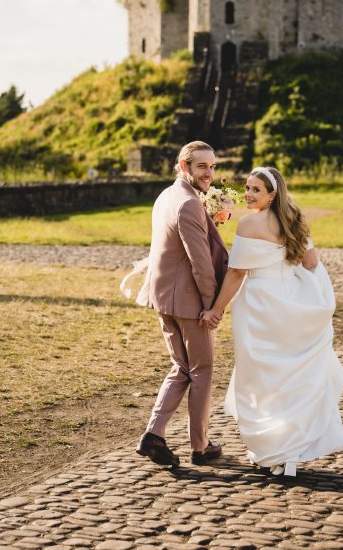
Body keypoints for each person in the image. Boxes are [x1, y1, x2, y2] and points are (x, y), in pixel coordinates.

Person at [201, 166, 343, 476]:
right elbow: (310, 263)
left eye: (256, 189)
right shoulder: (293, 221)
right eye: (248, 187)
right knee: (288, 375)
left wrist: (216, 309)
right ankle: (289, 454)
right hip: (289, 304)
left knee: (261, 378)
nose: (248, 194)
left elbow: (237, 273)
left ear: (272, 194)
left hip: (258, 306)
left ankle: (273, 451)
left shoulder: (248, 223)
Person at [135, 141, 228, 467]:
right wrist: (212, 308)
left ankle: (154, 434)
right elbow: (200, 264)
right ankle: (200, 447)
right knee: (201, 371)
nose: (209, 173)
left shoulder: (166, 196)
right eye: (202, 166)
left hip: (164, 299)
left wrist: (213, 221)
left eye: (213, 166)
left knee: (182, 368)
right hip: (189, 303)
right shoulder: (188, 204)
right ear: (184, 166)